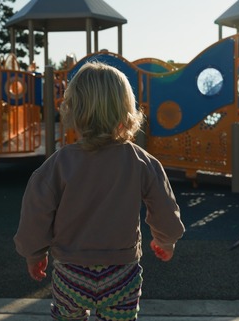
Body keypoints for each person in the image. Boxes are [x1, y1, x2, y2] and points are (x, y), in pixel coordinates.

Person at [14, 61, 185, 321]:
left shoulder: (59, 164)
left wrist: (34, 252)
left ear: (73, 110)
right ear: (126, 110)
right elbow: (164, 205)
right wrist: (166, 239)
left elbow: (36, 211)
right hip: (121, 272)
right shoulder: (141, 162)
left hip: (71, 270)